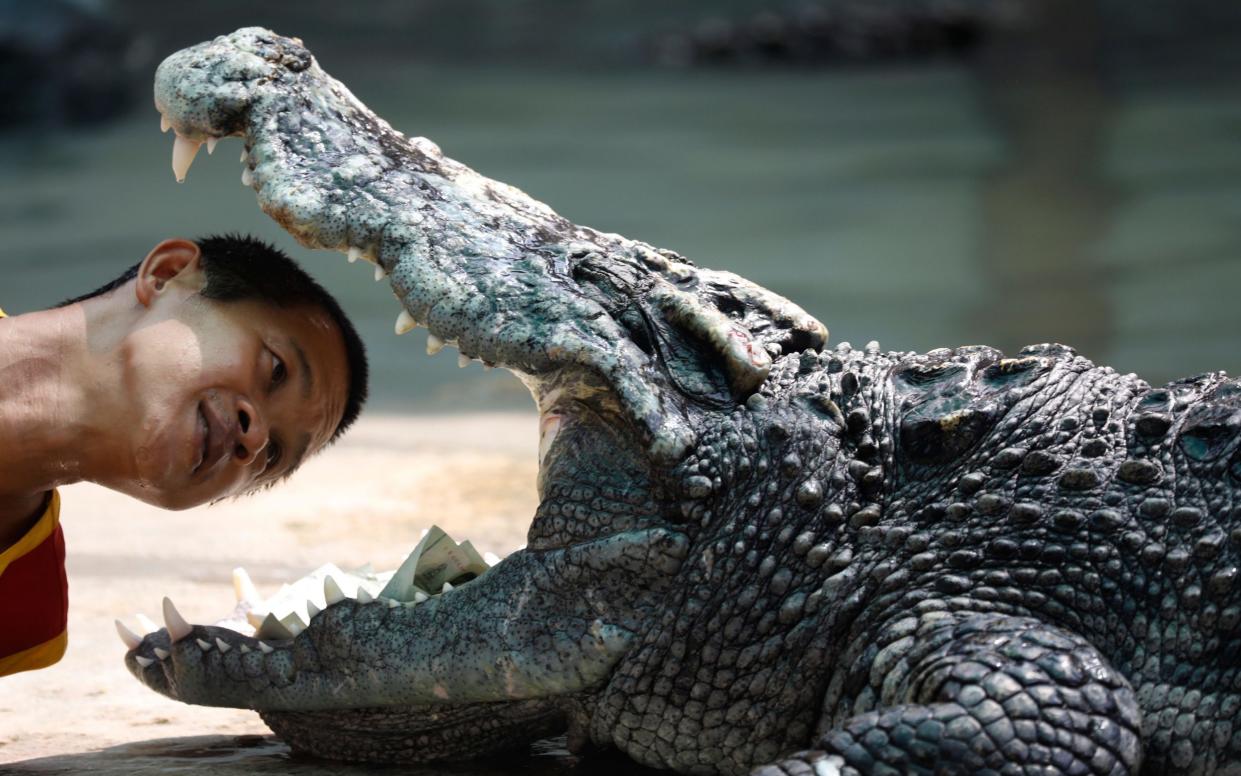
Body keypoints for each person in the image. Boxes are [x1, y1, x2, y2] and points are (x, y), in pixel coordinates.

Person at [0, 234, 368, 677]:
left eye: (271, 456)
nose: (253, 439)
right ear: (167, 273)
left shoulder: (23, 614)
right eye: (274, 369)